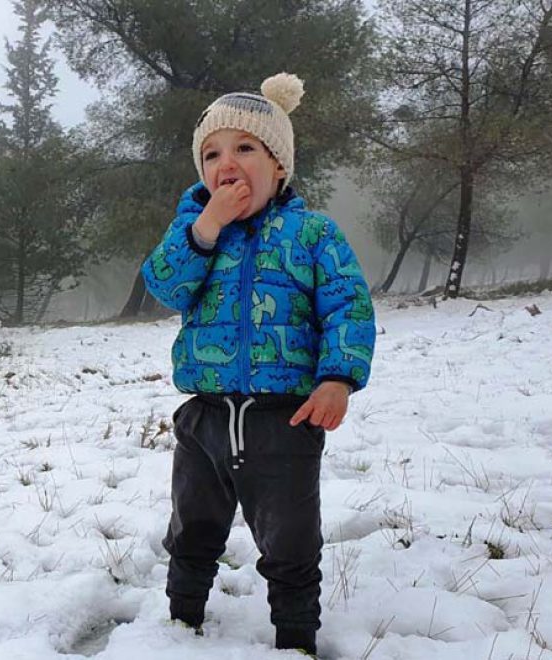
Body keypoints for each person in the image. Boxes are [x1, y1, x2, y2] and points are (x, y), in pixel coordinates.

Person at [141, 72, 376, 656]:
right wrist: (205, 227)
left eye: (246, 148)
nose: (228, 162)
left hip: (285, 421)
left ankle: (295, 637)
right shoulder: (195, 233)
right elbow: (164, 286)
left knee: (291, 540)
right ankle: (180, 621)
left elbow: (349, 305)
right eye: (214, 153)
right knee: (193, 528)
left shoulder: (312, 234)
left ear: (279, 167)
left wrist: (337, 378)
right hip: (205, 419)